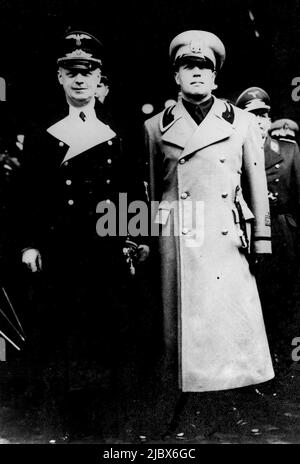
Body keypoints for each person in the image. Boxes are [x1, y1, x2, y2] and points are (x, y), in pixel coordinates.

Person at [142, 30, 274, 439]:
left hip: (224, 234)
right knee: (181, 337)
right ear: (176, 75)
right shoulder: (154, 127)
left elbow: (254, 180)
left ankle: (226, 405)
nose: (196, 74)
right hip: (177, 238)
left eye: (204, 68)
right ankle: (184, 409)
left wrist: (263, 237)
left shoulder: (242, 121)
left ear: (216, 77)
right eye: (188, 67)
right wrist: (146, 238)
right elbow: (150, 186)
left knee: (227, 327)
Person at [18, 30, 148, 442]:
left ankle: (104, 423)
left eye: (87, 72)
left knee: (104, 332)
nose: (79, 80)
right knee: (58, 334)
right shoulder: (44, 134)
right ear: (59, 77)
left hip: (103, 249)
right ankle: (61, 423)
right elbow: (26, 196)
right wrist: (29, 243)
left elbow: (130, 189)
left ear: (98, 79)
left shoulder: (115, 131)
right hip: (59, 251)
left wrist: (134, 239)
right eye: (71, 72)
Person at [236, 89, 300, 376]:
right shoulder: (232, 152)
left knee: (285, 298)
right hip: (249, 233)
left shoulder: (288, 150)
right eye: (252, 115)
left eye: (263, 115)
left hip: (282, 233)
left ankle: (285, 364)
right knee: (253, 299)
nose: (259, 121)